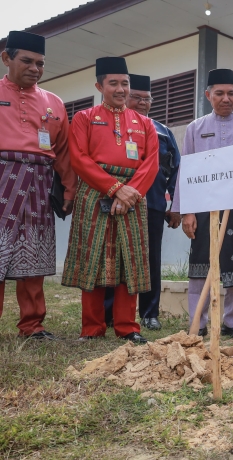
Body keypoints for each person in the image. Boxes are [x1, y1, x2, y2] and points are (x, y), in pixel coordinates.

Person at [62, 57, 159, 343]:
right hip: (95, 191)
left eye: (125, 83)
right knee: (93, 257)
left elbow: (151, 163)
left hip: (134, 194)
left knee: (130, 261)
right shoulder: (84, 118)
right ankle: (92, 328)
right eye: (113, 83)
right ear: (99, 85)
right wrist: (115, 188)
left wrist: (130, 193)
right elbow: (79, 159)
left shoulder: (145, 123)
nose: (121, 89)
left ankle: (128, 327)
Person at [171, 69, 233, 337]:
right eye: (220, 93)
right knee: (201, 263)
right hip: (202, 204)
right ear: (208, 95)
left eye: (231, 93)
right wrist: (185, 211)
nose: (226, 98)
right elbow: (184, 171)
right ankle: (197, 324)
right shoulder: (195, 128)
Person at [0, 31, 77, 339]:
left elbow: (63, 152)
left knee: (34, 253)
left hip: (40, 182)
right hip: (2, 177)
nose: (35, 68)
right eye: (27, 61)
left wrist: (69, 188)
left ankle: (32, 326)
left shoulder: (54, 103)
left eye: (41, 64)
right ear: (6, 58)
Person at [103, 74, 181, 331]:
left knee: (150, 260)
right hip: (118, 203)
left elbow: (176, 170)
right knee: (115, 257)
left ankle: (149, 312)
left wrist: (175, 207)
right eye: (136, 97)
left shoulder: (163, 131)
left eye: (147, 99)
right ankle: (109, 314)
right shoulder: (115, 126)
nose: (142, 103)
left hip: (154, 205)